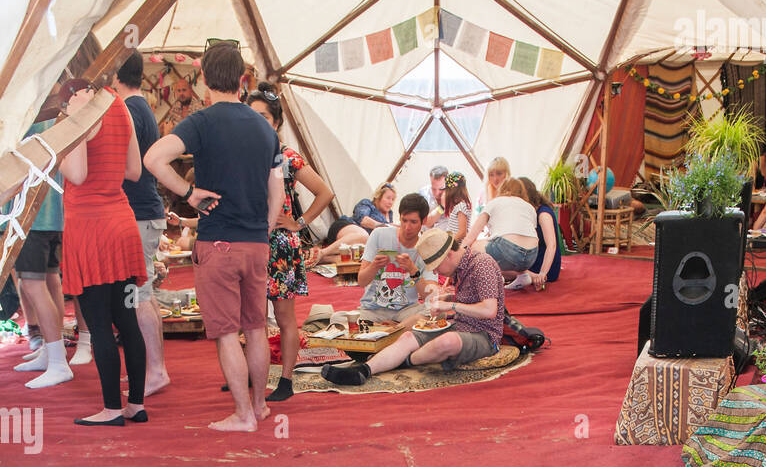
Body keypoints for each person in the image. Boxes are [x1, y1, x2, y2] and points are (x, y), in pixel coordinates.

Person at [144, 42, 285, 433]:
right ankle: (258, 407)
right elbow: (277, 189)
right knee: (255, 327)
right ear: (242, 78)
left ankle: (242, 415)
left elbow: (153, 158)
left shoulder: (201, 123)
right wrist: (267, 226)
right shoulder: (264, 127)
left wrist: (188, 194)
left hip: (218, 241)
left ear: (204, 77)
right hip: (256, 242)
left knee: (226, 333)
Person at [57, 79, 148, 425]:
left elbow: (77, 173)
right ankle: (136, 405)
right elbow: (133, 171)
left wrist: (64, 140)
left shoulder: (76, 114)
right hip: (121, 226)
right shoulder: (119, 105)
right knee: (127, 320)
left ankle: (112, 409)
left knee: (98, 325)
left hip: (92, 231)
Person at [320, 231, 504, 387]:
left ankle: (405, 361)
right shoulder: (461, 267)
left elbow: (489, 310)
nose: (437, 272)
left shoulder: (481, 264)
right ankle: (363, 371)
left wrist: (450, 305)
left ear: (448, 254)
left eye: (437, 266)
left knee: (448, 341)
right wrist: (446, 299)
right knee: (409, 335)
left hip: (484, 334)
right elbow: (472, 299)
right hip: (460, 325)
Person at [246, 85, 334, 404]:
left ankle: (285, 380)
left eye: (265, 117)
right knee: (251, 316)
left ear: (277, 122)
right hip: (251, 241)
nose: (258, 122)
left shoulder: (288, 156)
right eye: (252, 116)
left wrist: (299, 222)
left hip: (281, 247)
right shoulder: (243, 154)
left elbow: (325, 192)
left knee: (284, 317)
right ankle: (249, 375)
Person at [112, 49, 171, 396]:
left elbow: (126, 164)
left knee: (140, 294)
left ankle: (155, 370)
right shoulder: (141, 106)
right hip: (144, 211)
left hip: (139, 213)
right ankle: (151, 366)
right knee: (142, 293)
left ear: (114, 76)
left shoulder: (129, 109)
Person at [11, 119, 73, 388]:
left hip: (31, 215)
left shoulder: (27, 116)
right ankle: (51, 351)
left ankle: (58, 361)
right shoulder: (53, 115)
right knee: (49, 281)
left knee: (32, 284)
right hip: (52, 213)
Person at [357, 193, 434, 321]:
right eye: (404, 220)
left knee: (434, 313)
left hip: (407, 311)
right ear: (399, 217)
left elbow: (429, 296)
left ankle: (394, 331)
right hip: (374, 310)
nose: (407, 227)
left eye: (413, 222)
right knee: (338, 319)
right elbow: (362, 281)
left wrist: (413, 271)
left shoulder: (426, 249)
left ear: (424, 220)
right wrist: (374, 266)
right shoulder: (379, 234)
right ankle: (399, 331)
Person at [466, 177, 538, 276]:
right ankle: (523, 275)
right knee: (505, 259)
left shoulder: (495, 202)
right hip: (531, 256)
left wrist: (458, 257)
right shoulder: (530, 207)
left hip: (508, 251)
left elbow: (471, 237)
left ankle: (489, 280)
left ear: (502, 189)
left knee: (474, 246)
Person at [511, 176, 561, 290]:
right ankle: (528, 275)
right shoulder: (528, 212)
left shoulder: (543, 214)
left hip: (545, 265)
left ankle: (533, 277)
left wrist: (543, 273)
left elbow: (551, 246)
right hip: (533, 258)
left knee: (503, 268)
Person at [434, 172, 472, 241]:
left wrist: (448, 244)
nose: (445, 193)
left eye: (446, 190)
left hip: (458, 245)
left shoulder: (461, 206)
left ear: (452, 191)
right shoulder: (457, 206)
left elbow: (462, 232)